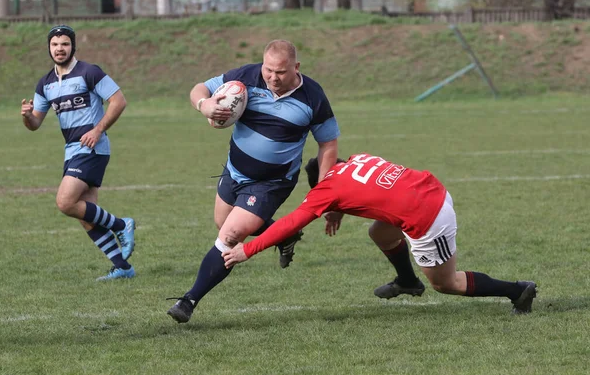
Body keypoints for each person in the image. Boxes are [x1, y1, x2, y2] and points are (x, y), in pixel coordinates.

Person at [222, 153, 538, 315]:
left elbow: (288, 224)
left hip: (428, 216)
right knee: (380, 233)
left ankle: (517, 290)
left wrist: (245, 251)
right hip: (431, 190)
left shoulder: (325, 190)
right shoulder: (360, 158)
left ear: (318, 183)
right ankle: (407, 281)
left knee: (445, 283)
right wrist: (338, 207)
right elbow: (366, 185)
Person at [166, 39, 341, 323]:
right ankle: (284, 234)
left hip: (272, 183)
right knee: (223, 223)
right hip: (234, 171)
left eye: (281, 72)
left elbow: (328, 144)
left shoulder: (312, 96)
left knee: (231, 235)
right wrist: (205, 104)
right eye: (268, 70)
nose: (272, 77)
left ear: (296, 68)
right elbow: (200, 88)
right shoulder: (247, 76)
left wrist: (326, 192)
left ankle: (189, 300)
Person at [19, 25, 136, 281]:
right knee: (86, 214)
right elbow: (35, 124)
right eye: (55, 44)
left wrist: (98, 130)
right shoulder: (46, 83)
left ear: (73, 46)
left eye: (64, 44)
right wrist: (28, 117)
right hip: (71, 150)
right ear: (49, 48)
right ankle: (123, 267)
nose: (59, 49)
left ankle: (121, 224)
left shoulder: (89, 72)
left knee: (65, 202)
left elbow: (119, 101)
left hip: (93, 148)